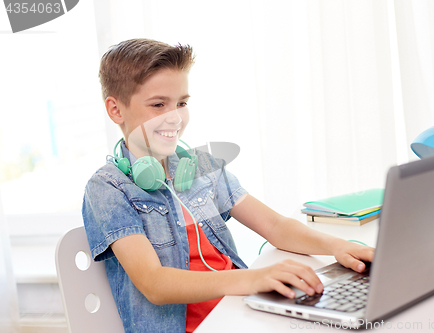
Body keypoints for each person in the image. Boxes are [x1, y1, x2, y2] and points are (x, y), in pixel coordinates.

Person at [82, 38, 374, 333]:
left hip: (242, 312)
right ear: (116, 110)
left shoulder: (199, 167)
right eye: (159, 105)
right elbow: (154, 283)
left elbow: (274, 226)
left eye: (182, 103)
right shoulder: (109, 188)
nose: (176, 117)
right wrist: (253, 279)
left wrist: (338, 247)